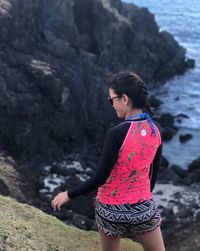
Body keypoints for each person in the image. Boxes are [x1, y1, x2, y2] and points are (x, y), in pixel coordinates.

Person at [51, 71, 165, 251]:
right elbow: (153, 174)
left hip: (111, 211)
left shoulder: (116, 133)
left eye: (111, 100)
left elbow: (100, 178)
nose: (111, 104)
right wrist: (141, 202)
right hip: (142, 210)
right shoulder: (156, 130)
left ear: (124, 99)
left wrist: (69, 194)